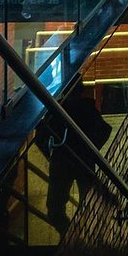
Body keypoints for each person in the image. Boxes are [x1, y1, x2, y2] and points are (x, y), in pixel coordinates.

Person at [43, 86, 112, 235]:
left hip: (63, 162)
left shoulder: (57, 110)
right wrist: (89, 149)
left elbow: (41, 134)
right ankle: (80, 239)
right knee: (87, 205)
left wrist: (52, 153)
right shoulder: (86, 109)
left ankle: (71, 237)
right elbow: (105, 130)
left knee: (56, 208)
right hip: (82, 161)